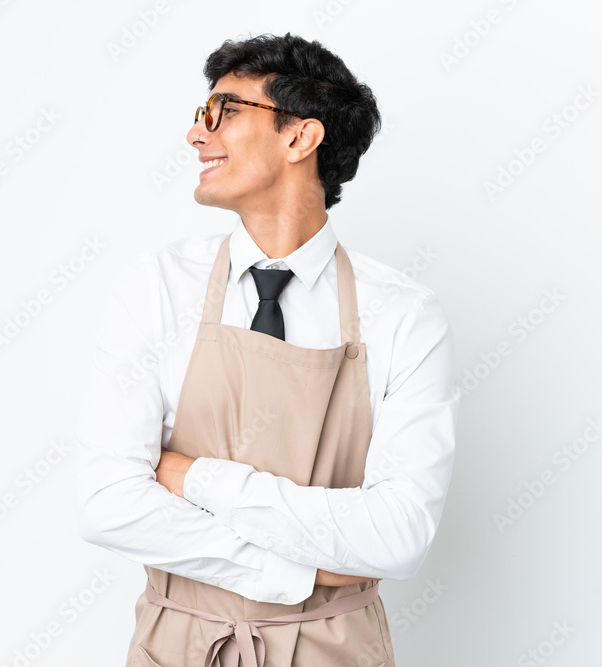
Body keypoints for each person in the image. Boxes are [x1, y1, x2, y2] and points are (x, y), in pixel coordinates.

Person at [76, 32, 461, 667]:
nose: (198, 135)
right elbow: (107, 505)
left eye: (224, 111)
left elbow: (398, 537)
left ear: (299, 138)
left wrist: (192, 476)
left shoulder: (404, 316)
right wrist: (295, 577)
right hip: (177, 648)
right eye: (202, 115)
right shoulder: (158, 288)